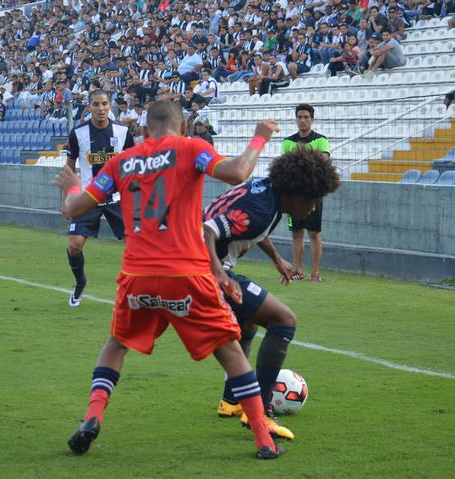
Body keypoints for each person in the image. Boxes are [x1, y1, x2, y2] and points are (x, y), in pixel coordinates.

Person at [54, 100, 286, 460]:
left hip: (138, 275)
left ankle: (93, 415)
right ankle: (263, 441)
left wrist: (71, 186)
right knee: (229, 350)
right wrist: (259, 137)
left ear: (143, 131)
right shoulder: (191, 148)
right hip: (186, 273)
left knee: (117, 343)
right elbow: (238, 172)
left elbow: (73, 209)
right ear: (183, 128)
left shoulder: (122, 161)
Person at [205, 150, 340, 441]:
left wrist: (277, 259)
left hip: (202, 269)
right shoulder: (262, 209)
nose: (313, 208)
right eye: (313, 200)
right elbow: (206, 230)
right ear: (298, 194)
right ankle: (260, 410)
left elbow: (252, 226)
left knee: (249, 320)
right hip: (202, 273)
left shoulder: (266, 193)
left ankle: (231, 401)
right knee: (284, 320)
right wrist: (218, 272)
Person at [64, 89, 134, 307]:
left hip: (117, 198)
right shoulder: (78, 133)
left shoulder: (124, 131)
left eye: (104, 104)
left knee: (136, 245)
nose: (101, 108)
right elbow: (69, 168)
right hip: (88, 197)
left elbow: (132, 164)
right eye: (96, 104)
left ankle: (133, 288)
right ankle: (80, 282)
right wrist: (67, 200)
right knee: (74, 245)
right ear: (89, 107)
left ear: (110, 106)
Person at [281, 104, 331, 283]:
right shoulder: (287, 142)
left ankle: (315, 272)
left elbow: (322, 164)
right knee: (296, 233)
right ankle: (298, 270)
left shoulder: (321, 140)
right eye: (300, 117)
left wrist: (298, 164)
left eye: (306, 117)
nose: (302, 120)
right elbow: (285, 167)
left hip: (313, 195)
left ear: (312, 119)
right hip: (293, 195)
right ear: (296, 119)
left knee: (314, 233)